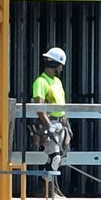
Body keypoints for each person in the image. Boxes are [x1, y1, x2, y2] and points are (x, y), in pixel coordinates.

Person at [29, 46, 71, 177]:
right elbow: (40, 107)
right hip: (49, 124)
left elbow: (61, 106)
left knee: (57, 159)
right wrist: (48, 125)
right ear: (55, 64)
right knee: (55, 157)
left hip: (60, 125)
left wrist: (67, 125)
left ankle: (51, 188)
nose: (61, 69)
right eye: (60, 65)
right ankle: (45, 188)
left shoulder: (57, 82)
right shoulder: (40, 82)